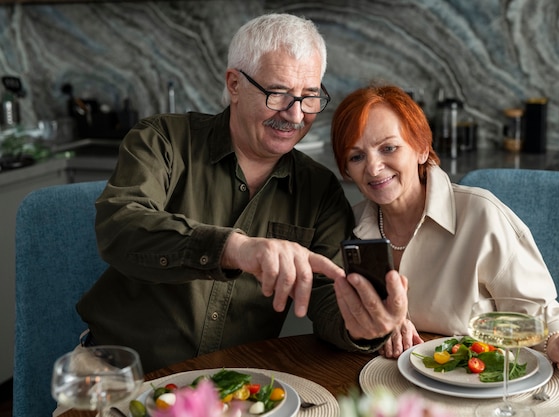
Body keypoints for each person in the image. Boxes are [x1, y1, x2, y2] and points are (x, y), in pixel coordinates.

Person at [76, 14, 408, 373]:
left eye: (309, 97)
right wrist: (236, 248)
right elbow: (120, 226)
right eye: (277, 94)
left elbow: (329, 294)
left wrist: (358, 326)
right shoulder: (162, 140)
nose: (295, 115)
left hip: (234, 384)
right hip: (117, 371)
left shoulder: (319, 189)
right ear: (234, 84)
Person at [330, 84, 559, 373]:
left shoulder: (482, 215)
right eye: (357, 156)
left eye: (389, 148)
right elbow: (336, 316)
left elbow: (538, 318)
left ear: (421, 149)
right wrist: (379, 327)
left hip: (480, 388)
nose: (373, 168)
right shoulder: (348, 226)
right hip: (387, 386)